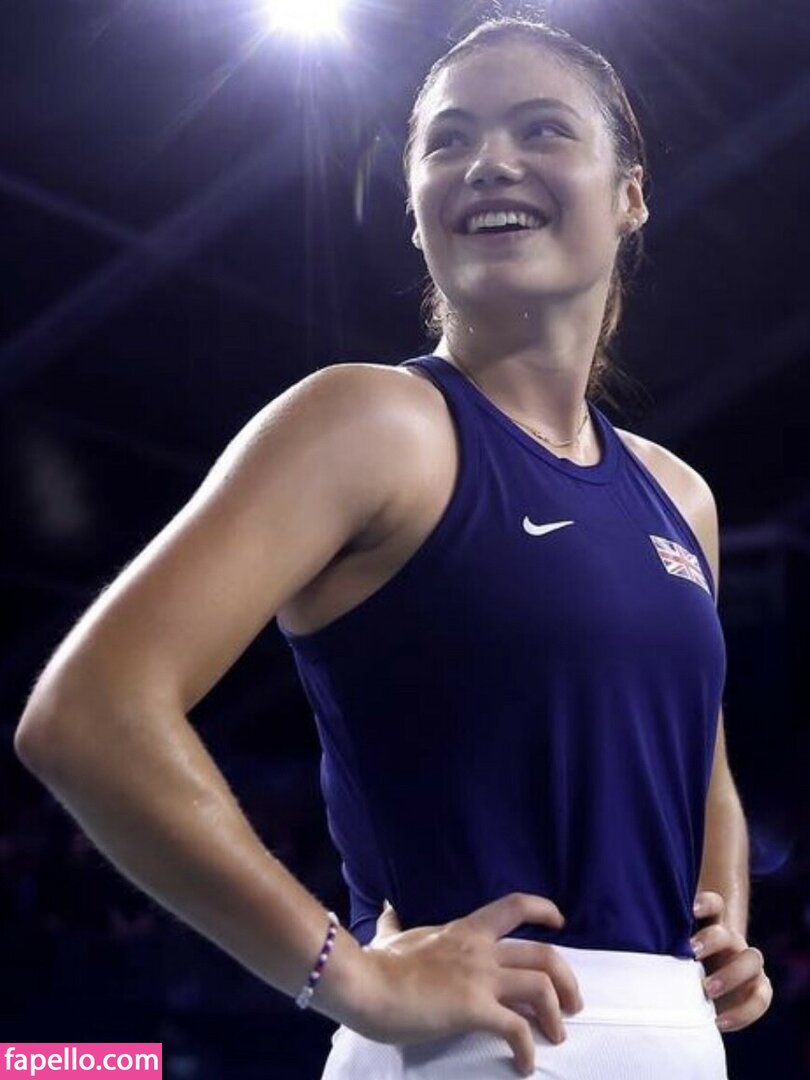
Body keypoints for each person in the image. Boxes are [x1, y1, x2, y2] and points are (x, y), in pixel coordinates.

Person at [14, 14, 772, 1080]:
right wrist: (352, 977)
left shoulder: (679, 496)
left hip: (678, 1041)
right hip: (471, 1046)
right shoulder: (369, 422)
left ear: (630, 195)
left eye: (542, 129)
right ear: (417, 213)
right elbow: (91, 713)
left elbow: (700, 757)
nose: (489, 161)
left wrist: (720, 921)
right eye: (449, 140)